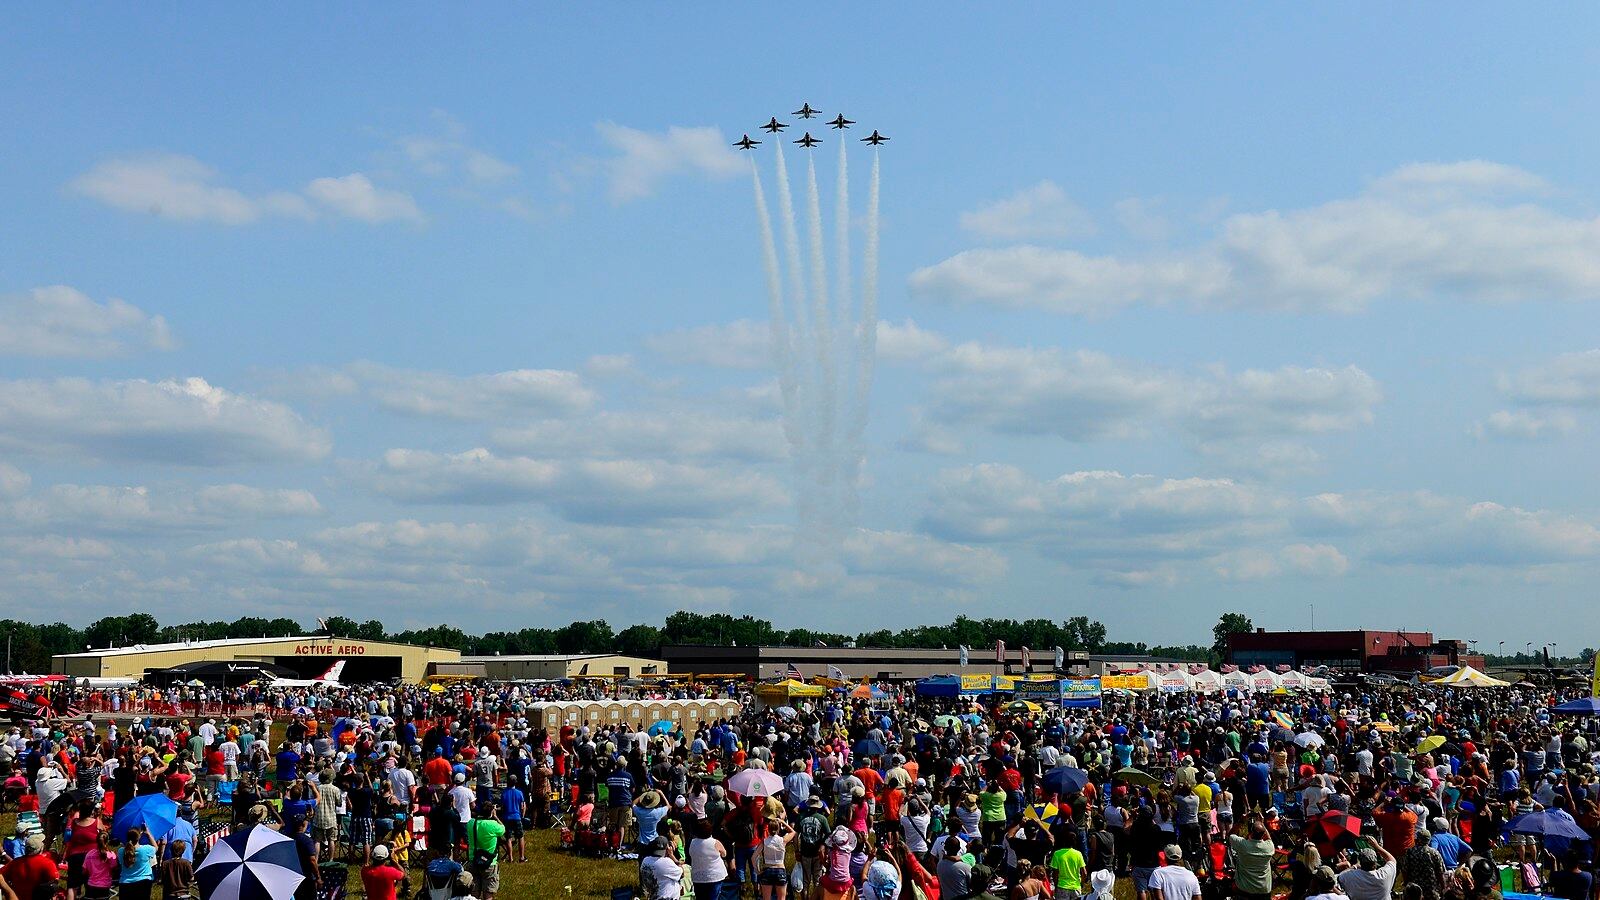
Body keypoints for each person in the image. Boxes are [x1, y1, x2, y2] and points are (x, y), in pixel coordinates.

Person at [2, 834, 61, 900]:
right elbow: (55, 882)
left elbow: (1, 874)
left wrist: (8, 890)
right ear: (41, 848)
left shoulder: (15, 862)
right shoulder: (47, 863)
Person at [465, 802, 505, 900]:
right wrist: (495, 817)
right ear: (491, 812)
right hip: (490, 862)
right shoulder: (493, 825)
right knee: (488, 893)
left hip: (473, 859)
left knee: (473, 892)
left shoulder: (471, 823)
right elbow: (503, 829)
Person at [1229, 819, 1276, 900]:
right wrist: (1262, 823)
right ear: (1263, 834)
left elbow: (1230, 834)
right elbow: (1268, 838)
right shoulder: (1269, 848)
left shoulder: (1242, 845)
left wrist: (1241, 820)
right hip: (1263, 890)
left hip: (1244, 890)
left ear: (1251, 832)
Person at [687, 818, 731, 900]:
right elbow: (724, 854)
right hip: (715, 876)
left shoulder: (692, 842)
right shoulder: (715, 842)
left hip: (698, 877)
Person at [118, 825, 158, 900]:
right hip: (143, 882)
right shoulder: (146, 849)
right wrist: (148, 833)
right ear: (139, 837)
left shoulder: (121, 851)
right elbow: (156, 847)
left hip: (125, 883)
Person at [1051, 835, 1088, 900]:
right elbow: (1084, 873)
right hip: (1076, 887)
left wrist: (1056, 886)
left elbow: (1055, 874)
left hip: (1062, 887)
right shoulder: (1078, 854)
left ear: (1063, 842)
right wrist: (1081, 884)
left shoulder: (1057, 854)